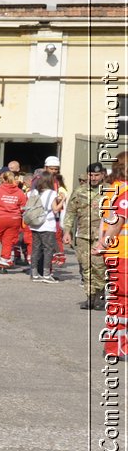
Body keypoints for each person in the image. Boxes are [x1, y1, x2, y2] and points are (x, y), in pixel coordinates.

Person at [96, 152, 128, 358]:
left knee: (119, 301)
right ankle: (118, 346)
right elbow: (117, 222)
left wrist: (101, 244)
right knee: (122, 302)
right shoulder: (124, 191)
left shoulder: (113, 189)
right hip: (123, 253)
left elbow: (104, 221)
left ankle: (115, 346)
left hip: (116, 252)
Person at [69, 161, 111, 309]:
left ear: (103, 175)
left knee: (99, 267)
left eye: (96, 175)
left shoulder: (110, 191)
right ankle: (89, 297)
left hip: (101, 236)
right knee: (85, 267)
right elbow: (70, 213)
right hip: (83, 236)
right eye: (90, 175)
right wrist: (67, 231)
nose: (93, 178)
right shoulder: (79, 191)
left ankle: (99, 296)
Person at [25, 169, 63, 283]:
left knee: (35, 249)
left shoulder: (33, 192)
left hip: (35, 224)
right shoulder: (52, 193)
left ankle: (34, 274)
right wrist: (63, 200)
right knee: (48, 249)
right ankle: (47, 275)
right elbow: (55, 209)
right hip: (47, 224)